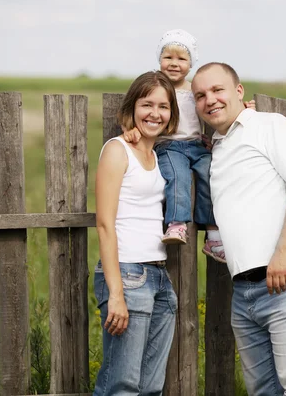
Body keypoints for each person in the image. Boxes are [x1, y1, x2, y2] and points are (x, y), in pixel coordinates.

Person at [191, 62, 286, 395]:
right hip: (244, 293)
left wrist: (283, 252)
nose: (210, 100)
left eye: (218, 90)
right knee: (263, 391)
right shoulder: (218, 146)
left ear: (239, 91)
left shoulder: (270, 125)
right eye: (200, 95)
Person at [123, 29, 254, 263]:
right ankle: (176, 223)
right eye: (168, 58)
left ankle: (213, 234)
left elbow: (215, 106)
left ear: (191, 63)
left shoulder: (195, 90)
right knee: (178, 176)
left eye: (182, 59)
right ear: (159, 59)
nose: (174, 64)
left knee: (211, 176)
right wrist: (131, 128)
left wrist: (242, 107)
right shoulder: (157, 89)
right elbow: (137, 111)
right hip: (169, 146)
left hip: (195, 146)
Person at [93, 70, 178, 396]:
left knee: (151, 388)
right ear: (132, 108)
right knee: (122, 386)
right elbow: (105, 224)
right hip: (127, 275)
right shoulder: (118, 150)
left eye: (164, 106)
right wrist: (116, 293)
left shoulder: (157, 155)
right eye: (147, 104)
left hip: (158, 277)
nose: (155, 113)